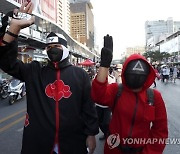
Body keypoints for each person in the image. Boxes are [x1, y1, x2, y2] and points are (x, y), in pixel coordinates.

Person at [0, 2, 98, 154]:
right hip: (37, 144)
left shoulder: (81, 75)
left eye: (57, 47)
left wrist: (91, 133)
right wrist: (14, 29)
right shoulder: (34, 71)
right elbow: (7, 63)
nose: (52, 50)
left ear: (65, 49)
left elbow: (88, 107)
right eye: (49, 48)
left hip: (73, 143)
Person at [91, 34, 168, 154]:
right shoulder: (116, 90)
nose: (136, 77)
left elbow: (160, 131)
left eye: (140, 75)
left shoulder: (154, 97)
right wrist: (104, 64)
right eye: (133, 74)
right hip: (114, 149)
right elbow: (98, 95)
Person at [95, 66, 115, 141]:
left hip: (107, 106)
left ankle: (108, 135)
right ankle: (105, 134)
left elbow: (110, 90)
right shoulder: (96, 77)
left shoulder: (112, 78)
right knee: (99, 122)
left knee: (106, 123)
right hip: (98, 105)